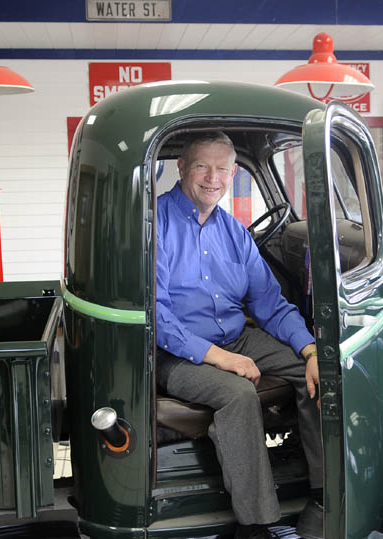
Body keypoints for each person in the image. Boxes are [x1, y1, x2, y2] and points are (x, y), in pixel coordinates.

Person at [155, 131, 324, 539]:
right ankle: (257, 523)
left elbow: (269, 303)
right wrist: (219, 357)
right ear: (181, 168)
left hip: (237, 337)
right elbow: (156, 316)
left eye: (222, 169)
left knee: (319, 372)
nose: (213, 178)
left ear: (233, 174)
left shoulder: (234, 232)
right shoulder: (154, 224)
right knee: (238, 394)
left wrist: (311, 348)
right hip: (174, 352)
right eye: (202, 166)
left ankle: (322, 496)